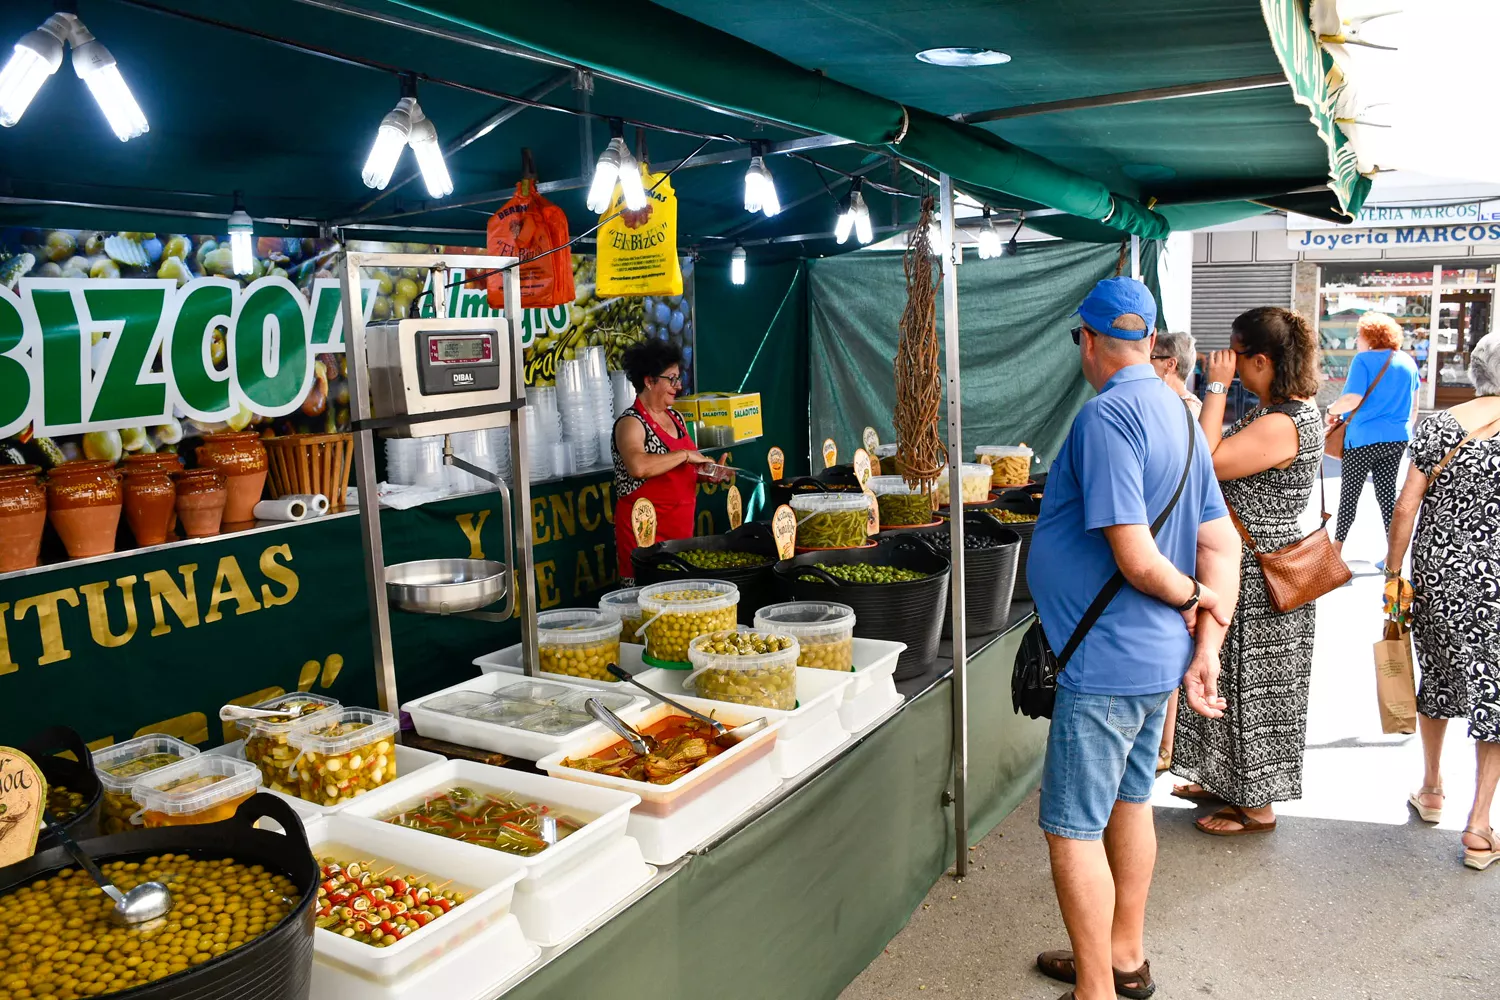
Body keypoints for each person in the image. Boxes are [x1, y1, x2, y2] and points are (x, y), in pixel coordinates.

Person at [1028, 277, 1240, 1000]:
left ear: (1087, 341)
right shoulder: (1182, 413)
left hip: (1107, 661)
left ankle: (1095, 990)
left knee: (1072, 829)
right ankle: (1125, 956)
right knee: (1130, 804)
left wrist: (1195, 600)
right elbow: (1222, 545)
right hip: (1155, 661)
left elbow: (1137, 557)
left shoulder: (1106, 419)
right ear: (1151, 342)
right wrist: (1206, 644)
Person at [1171, 306, 1325, 835]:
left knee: (1256, 689)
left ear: (1261, 359)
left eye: (1236, 356)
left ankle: (1258, 806)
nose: (1227, 364)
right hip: (1245, 562)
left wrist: (1215, 389)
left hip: (1261, 572)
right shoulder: (1277, 409)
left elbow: (1206, 459)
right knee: (1227, 677)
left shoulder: (1286, 422)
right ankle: (1224, 779)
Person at [1385, 332, 1500, 871]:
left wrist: (1391, 571)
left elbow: (1406, 506)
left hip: (1441, 577)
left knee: (1442, 674)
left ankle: (1431, 789)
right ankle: (1479, 825)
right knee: (1494, 694)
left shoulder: (1441, 426)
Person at [612, 339, 713, 580]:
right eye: (671, 378)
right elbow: (639, 467)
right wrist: (685, 455)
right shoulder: (631, 423)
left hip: (679, 535)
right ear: (649, 381)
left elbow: (679, 471)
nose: (677, 386)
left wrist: (708, 472)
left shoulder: (676, 418)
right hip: (644, 537)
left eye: (678, 378)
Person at [1326, 312, 1420, 554]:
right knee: (1388, 495)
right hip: (1397, 439)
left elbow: (1352, 398)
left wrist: (1331, 410)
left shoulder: (1363, 360)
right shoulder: (1408, 362)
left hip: (1362, 439)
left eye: (1360, 335)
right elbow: (1414, 404)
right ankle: (1393, 555)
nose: (1357, 340)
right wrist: (1402, 428)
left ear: (1371, 337)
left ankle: (1337, 550)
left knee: (1350, 495)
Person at [1149, 330, 1201, 773]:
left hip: (1173, 549)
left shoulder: (1182, 410)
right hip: (1176, 547)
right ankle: (1165, 746)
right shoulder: (1181, 408)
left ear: (1170, 364)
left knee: (1174, 643)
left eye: (1154, 357)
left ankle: (1165, 747)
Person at [1150, 330, 1202, 418]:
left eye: (1151, 357)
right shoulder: (1166, 401)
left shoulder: (1189, 409)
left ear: (1170, 364)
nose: (1145, 362)